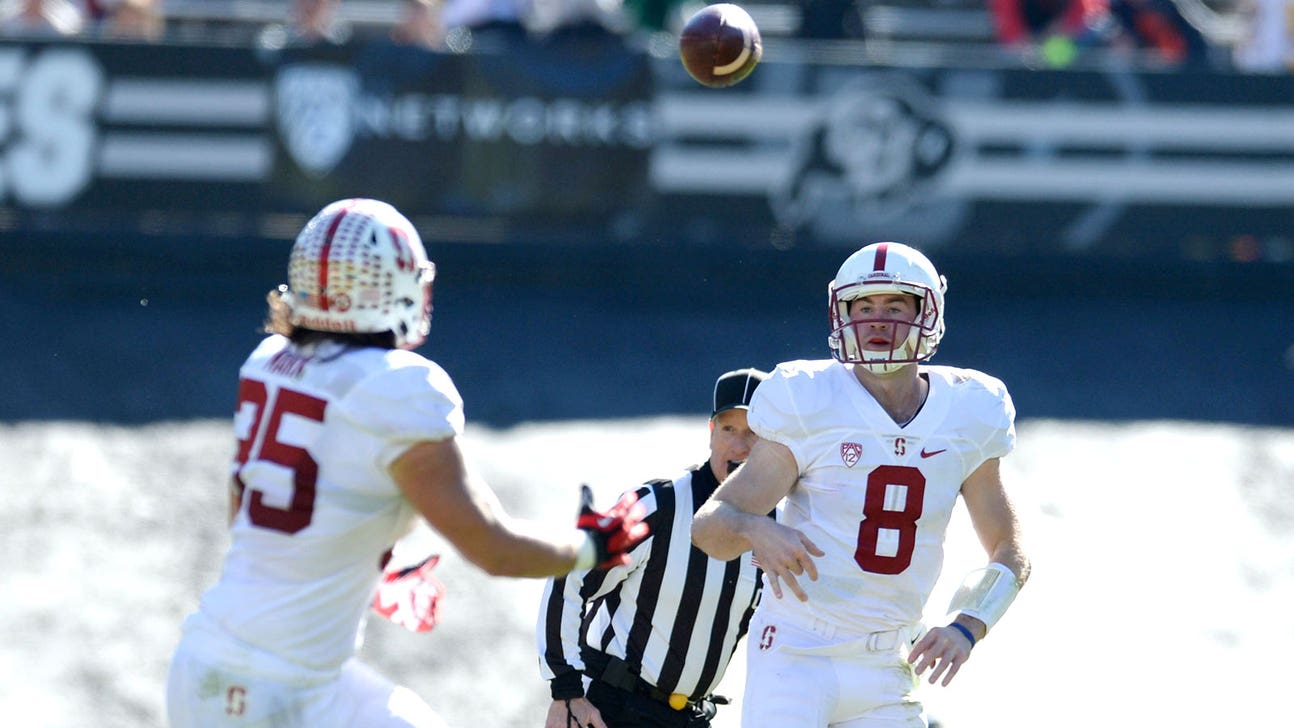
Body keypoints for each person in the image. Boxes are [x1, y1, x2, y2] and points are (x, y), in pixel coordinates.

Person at [166, 198, 649, 728]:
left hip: (206, 665)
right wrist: (593, 546)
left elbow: (254, 521)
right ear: (390, 288)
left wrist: (366, 571)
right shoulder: (399, 386)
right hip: (277, 690)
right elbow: (495, 548)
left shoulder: (268, 362)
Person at [692, 242, 1031, 727]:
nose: (877, 322)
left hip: (890, 663)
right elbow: (709, 526)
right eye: (864, 307)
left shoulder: (968, 411)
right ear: (842, 315)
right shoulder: (809, 398)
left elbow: (1008, 548)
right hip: (796, 653)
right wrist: (754, 528)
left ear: (927, 314)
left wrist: (968, 624)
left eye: (894, 307)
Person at [537, 367, 770, 728]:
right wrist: (566, 692)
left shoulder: (776, 527)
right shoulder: (658, 506)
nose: (739, 446)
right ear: (711, 432)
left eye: (753, 433)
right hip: (614, 710)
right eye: (729, 429)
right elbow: (570, 575)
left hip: (688, 717)